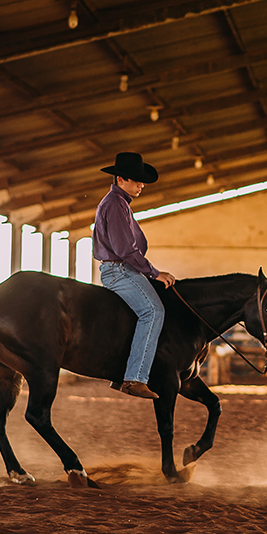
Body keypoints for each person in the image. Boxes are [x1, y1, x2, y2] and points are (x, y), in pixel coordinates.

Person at [93, 151, 176, 400]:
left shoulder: (119, 203)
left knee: (141, 312)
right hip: (120, 271)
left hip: (122, 268)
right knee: (153, 312)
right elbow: (125, 249)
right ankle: (135, 378)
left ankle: (122, 372)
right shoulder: (116, 205)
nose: (142, 185)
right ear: (121, 179)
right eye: (137, 180)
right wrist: (154, 272)